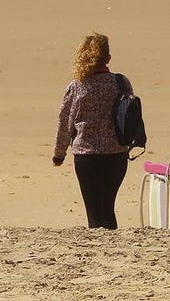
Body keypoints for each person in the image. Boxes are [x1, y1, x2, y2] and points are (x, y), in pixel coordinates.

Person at [52, 32, 133, 229]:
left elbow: (65, 122)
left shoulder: (77, 86)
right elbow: (129, 116)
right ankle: (113, 250)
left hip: (87, 156)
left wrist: (59, 154)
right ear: (108, 58)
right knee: (108, 207)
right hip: (116, 154)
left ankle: (102, 252)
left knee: (94, 211)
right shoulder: (121, 82)